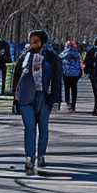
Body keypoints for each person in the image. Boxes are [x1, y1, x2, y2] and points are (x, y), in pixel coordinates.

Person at [11, 29, 62, 175]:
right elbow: (17, 77)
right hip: (26, 98)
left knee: (43, 128)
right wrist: (15, 97)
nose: (32, 43)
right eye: (31, 40)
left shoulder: (52, 57)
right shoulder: (25, 56)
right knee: (29, 128)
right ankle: (29, 158)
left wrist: (56, 98)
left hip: (44, 98)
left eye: (36, 40)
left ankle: (41, 155)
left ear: (42, 42)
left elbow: (57, 80)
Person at [60, 40, 84, 111]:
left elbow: (58, 61)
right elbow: (80, 63)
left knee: (66, 89)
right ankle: (73, 104)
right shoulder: (77, 53)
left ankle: (68, 103)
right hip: (75, 74)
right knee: (74, 89)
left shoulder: (63, 53)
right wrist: (80, 72)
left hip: (66, 73)